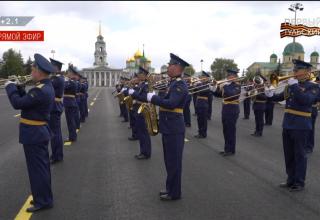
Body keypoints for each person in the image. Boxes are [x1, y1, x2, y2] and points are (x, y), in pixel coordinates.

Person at [129, 53, 189, 200]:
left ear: (177, 67)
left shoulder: (180, 85)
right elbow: (164, 100)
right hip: (169, 126)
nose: (168, 67)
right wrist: (153, 96)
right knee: (169, 161)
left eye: (170, 65)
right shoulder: (172, 83)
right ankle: (170, 189)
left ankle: (175, 193)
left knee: (174, 162)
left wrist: (152, 98)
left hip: (174, 128)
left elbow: (171, 104)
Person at [5, 53, 55, 212]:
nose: (31, 71)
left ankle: (43, 201)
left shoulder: (40, 90)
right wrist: (20, 89)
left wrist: (10, 87)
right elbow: (28, 104)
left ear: (39, 71)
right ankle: (43, 197)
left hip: (34, 134)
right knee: (41, 168)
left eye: (33, 68)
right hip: (37, 133)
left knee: (37, 170)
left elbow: (17, 104)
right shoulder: (43, 87)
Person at [266, 59, 320, 192]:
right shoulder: (291, 85)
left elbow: (306, 100)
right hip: (288, 123)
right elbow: (279, 98)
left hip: (301, 124)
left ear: (307, 71)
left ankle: (299, 182)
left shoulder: (313, 87)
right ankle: (290, 179)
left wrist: (294, 86)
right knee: (289, 154)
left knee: (300, 154)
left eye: (297, 70)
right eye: (294, 70)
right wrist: (269, 93)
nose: (294, 72)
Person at [211, 69, 241, 156]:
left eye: (230, 76)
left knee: (230, 130)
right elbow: (218, 95)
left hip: (232, 110)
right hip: (225, 109)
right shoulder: (226, 85)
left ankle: (231, 150)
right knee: (225, 130)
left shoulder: (237, 86)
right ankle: (227, 148)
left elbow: (232, 95)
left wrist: (224, 86)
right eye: (228, 76)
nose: (228, 77)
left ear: (235, 77)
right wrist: (213, 87)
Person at [129, 67, 152, 159]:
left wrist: (133, 93)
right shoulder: (141, 85)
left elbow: (143, 97)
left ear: (145, 75)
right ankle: (143, 151)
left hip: (143, 110)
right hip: (138, 109)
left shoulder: (146, 85)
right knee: (141, 131)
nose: (138, 75)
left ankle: (146, 152)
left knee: (143, 132)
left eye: (140, 74)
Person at [49, 58, 65, 164]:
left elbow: (47, 87)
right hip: (55, 106)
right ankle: (56, 154)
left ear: (56, 67)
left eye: (51, 66)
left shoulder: (57, 79)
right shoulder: (56, 78)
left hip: (54, 106)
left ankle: (57, 155)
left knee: (55, 133)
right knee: (55, 132)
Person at [63, 64, 79, 142]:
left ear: (72, 73)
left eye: (68, 72)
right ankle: (73, 136)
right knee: (71, 121)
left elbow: (64, 86)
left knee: (70, 121)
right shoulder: (72, 81)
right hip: (70, 103)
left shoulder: (72, 82)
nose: (67, 73)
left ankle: (72, 137)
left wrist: (65, 79)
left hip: (69, 103)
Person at [194, 71, 211, 138]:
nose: (202, 78)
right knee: (199, 119)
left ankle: (203, 133)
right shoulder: (199, 84)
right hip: (198, 102)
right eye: (202, 77)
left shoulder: (208, 85)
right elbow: (194, 90)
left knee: (203, 119)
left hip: (204, 103)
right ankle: (200, 132)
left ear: (207, 78)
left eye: (204, 77)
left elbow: (203, 90)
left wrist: (198, 85)